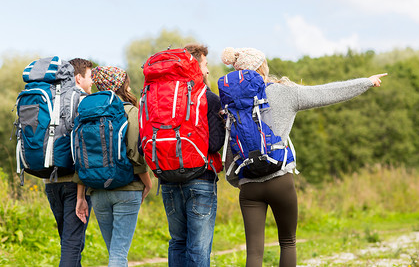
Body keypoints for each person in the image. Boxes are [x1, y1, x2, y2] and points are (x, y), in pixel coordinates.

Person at [221, 47, 387, 267]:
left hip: (248, 184)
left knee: (254, 253)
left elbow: (229, 149)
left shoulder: (229, 103)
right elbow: (326, 92)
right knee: (288, 242)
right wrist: (365, 82)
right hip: (280, 179)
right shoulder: (284, 92)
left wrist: (239, 182)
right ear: (263, 67)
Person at [74, 66, 152, 267]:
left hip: (97, 190)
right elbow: (136, 154)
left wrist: (81, 197)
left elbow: (80, 157)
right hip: (127, 189)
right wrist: (148, 183)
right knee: (118, 255)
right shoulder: (130, 111)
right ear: (123, 84)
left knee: (114, 253)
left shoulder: (87, 111)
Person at [159, 44, 225, 267]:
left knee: (177, 241)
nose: (207, 70)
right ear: (196, 66)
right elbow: (214, 144)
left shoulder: (161, 98)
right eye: (205, 64)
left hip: (167, 178)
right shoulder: (209, 98)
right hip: (200, 179)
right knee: (198, 246)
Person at [44, 58, 93, 267]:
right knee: (72, 244)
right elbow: (84, 148)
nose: (92, 82)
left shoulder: (49, 98)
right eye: (90, 77)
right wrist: (83, 191)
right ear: (78, 77)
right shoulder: (82, 100)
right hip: (74, 182)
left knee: (69, 241)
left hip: (49, 180)